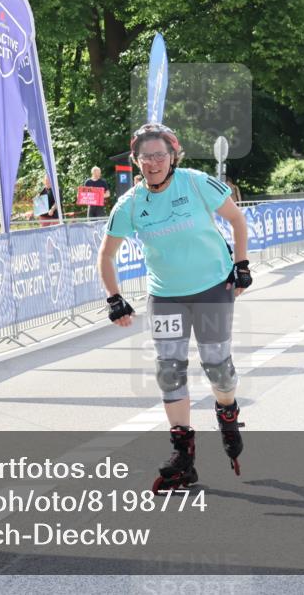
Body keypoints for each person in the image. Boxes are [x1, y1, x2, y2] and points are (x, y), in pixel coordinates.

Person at [97, 122, 252, 491]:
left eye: (159, 155)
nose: (152, 163)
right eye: (145, 157)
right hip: (166, 296)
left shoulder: (195, 183)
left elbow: (236, 219)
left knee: (217, 367)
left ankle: (227, 412)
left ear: (172, 157)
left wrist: (242, 265)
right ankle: (183, 454)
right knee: (169, 370)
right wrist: (114, 298)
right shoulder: (130, 204)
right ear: (136, 161)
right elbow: (106, 255)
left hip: (212, 288)